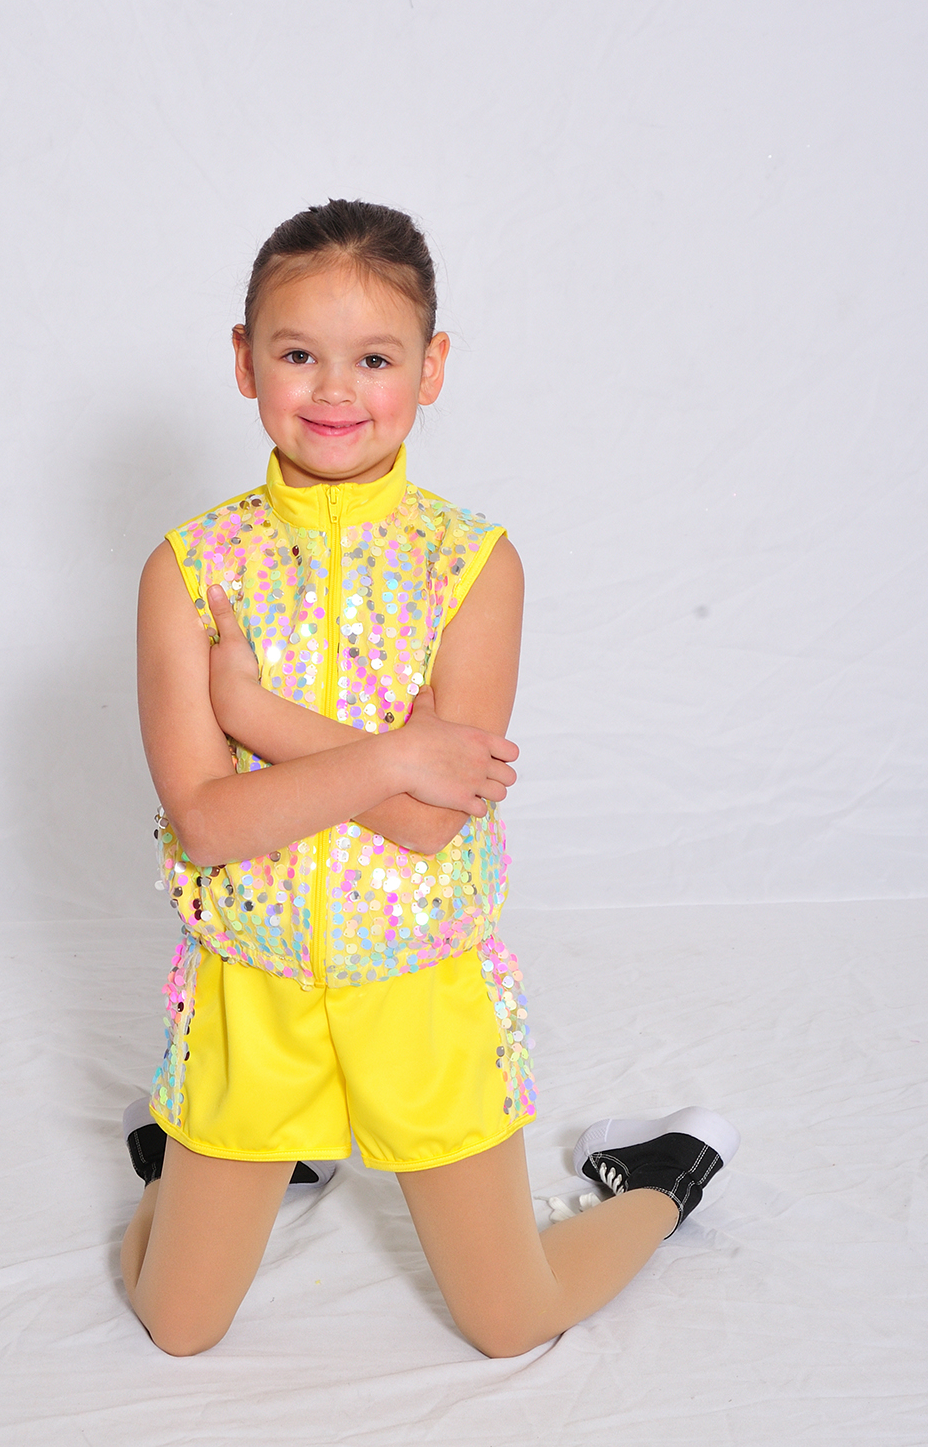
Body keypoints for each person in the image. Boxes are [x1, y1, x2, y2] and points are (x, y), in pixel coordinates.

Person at [122, 198, 737, 1357]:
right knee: (177, 1324)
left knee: (512, 1322)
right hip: (254, 1001)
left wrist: (259, 716)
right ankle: (184, 1153)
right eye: (297, 354)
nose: (334, 389)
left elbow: (422, 825)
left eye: (374, 358)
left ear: (431, 366)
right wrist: (396, 750)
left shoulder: (473, 566)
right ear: (244, 359)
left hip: (422, 997)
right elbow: (206, 823)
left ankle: (664, 1176)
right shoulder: (190, 569)